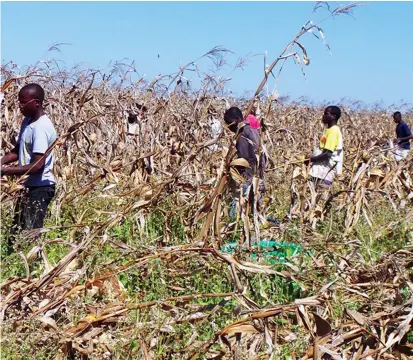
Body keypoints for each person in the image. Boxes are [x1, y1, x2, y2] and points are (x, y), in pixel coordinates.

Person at [1, 83, 57, 251]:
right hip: (26, 186)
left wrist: (5, 171)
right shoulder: (27, 121)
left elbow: (38, 166)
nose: (19, 106)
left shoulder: (41, 128)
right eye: (19, 102)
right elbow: (18, 151)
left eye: (23, 103)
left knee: (31, 234)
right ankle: (12, 267)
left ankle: (34, 271)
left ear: (36, 103)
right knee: (15, 233)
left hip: (40, 188)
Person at [223, 107, 266, 218]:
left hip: (248, 178)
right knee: (252, 214)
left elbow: (252, 156)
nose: (229, 127)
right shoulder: (249, 129)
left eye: (230, 124)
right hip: (252, 177)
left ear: (237, 120)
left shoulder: (245, 132)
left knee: (237, 214)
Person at [306, 106, 343, 186]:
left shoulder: (333, 131)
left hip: (325, 172)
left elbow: (327, 154)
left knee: (321, 196)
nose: (323, 116)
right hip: (320, 171)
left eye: (326, 114)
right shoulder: (329, 130)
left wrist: (311, 159)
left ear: (334, 116)